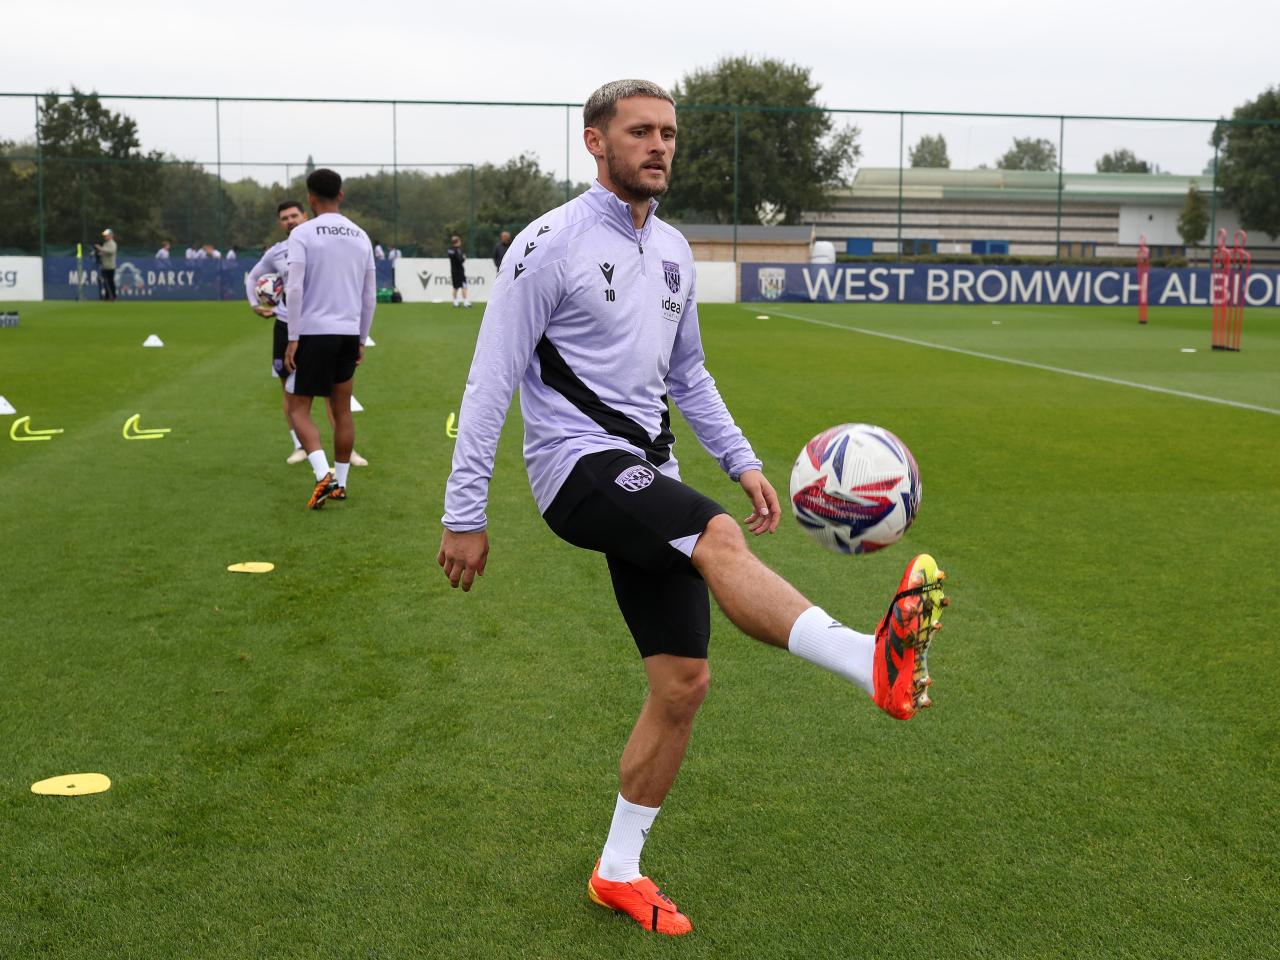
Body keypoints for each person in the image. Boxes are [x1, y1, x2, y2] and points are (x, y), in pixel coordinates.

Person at [438, 79, 948, 937]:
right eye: (639, 131)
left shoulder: (673, 250)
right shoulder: (549, 244)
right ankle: (871, 663)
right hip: (576, 471)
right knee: (713, 534)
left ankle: (617, 872)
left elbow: (689, 375)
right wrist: (465, 511)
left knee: (682, 685)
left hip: (646, 467)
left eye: (669, 133)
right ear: (595, 142)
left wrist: (743, 459)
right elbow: (491, 380)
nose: (659, 146)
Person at [246, 200, 371, 467]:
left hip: (317, 330)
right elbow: (252, 277)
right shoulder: (277, 252)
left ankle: (346, 453)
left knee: (332, 393)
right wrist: (255, 305)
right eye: (284, 218)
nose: (289, 221)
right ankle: (300, 446)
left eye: (293, 215)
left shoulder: (322, 246)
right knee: (289, 391)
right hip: (284, 326)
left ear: (305, 215)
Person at [283, 168, 376, 509]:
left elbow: (294, 287)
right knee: (342, 410)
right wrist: (362, 338)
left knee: (296, 408)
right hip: (348, 334)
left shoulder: (302, 233)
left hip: (314, 333)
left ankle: (323, 474)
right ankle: (340, 483)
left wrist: (293, 337)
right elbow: (369, 296)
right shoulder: (361, 236)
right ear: (341, 195)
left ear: (310, 198)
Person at [93, 229, 117, 301]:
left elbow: (111, 251)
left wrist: (100, 248)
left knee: (110, 282)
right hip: (104, 266)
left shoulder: (113, 243)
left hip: (110, 266)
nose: (105, 237)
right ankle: (107, 296)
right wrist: (96, 253)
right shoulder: (106, 244)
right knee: (105, 282)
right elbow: (103, 253)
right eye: (105, 236)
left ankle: (113, 296)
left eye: (107, 235)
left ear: (111, 235)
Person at [446, 234, 470, 307]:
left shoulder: (450, 250)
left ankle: (455, 302)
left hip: (453, 271)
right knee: (464, 286)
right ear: (457, 242)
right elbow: (460, 260)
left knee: (455, 287)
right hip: (459, 271)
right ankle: (466, 302)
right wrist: (464, 258)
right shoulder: (458, 250)